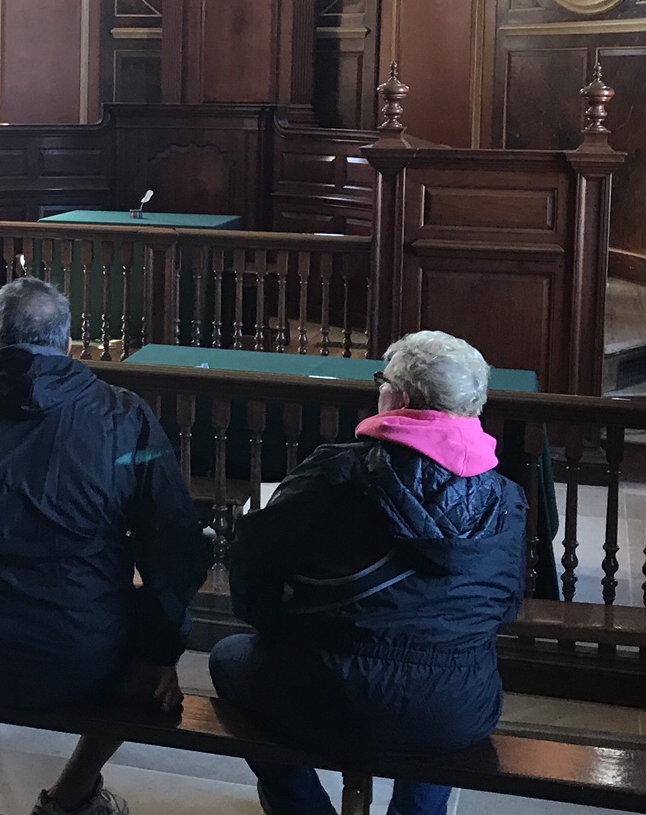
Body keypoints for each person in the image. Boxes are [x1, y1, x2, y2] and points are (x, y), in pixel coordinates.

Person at [0, 278, 213, 815]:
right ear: (68, 346)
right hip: (80, 657)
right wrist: (160, 650)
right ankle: (73, 795)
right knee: (150, 636)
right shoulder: (124, 417)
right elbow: (176, 545)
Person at [210, 331, 525, 815]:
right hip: (456, 708)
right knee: (437, 695)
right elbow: (505, 606)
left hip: (329, 693)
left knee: (227, 659)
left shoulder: (333, 473)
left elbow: (253, 570)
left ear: (398, 398)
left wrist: (275, 627)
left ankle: (300, 806)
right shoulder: (506, 499)